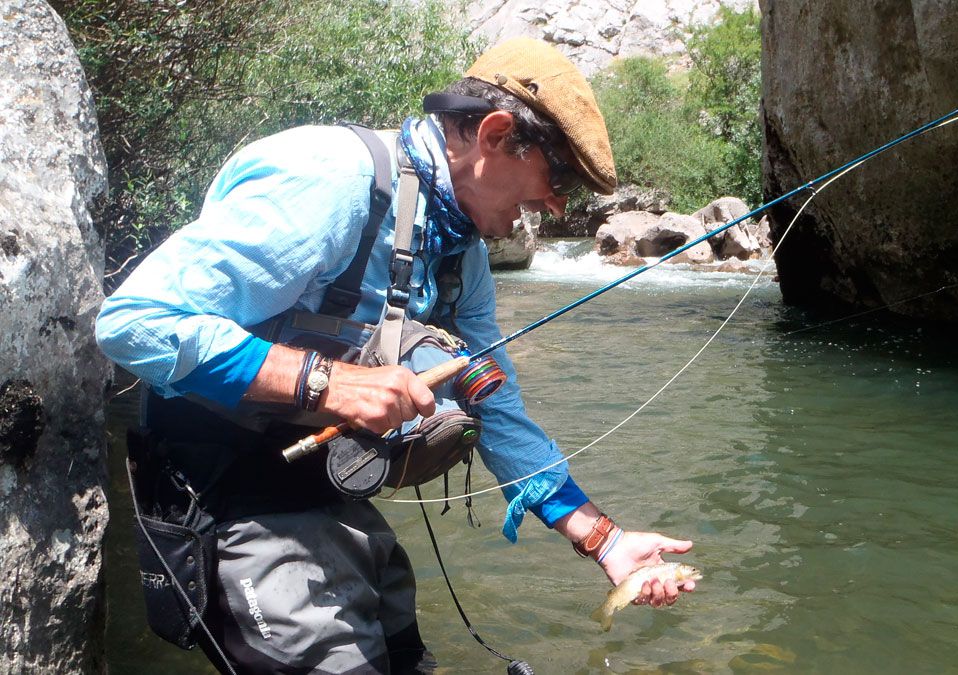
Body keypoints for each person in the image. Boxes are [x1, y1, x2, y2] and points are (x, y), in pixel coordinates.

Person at [96, 38, 697, 673]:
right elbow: (136, 323)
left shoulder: (462, 251)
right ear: (495, 135)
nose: (559, 205)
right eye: (558, 178)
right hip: (223, 494)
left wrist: (605, 541)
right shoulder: (331, 179)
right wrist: (327, 384)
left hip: (328, 498)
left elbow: (494, 401)